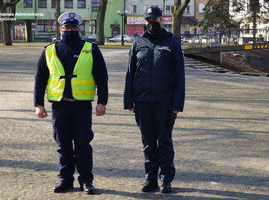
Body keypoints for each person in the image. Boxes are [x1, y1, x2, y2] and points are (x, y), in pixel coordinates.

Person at [34, 11, 108, 195]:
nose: (70, 30)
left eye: (74, 27)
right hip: (59, 105)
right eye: (67, 27)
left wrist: (102, 102)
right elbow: (40, 79)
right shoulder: (49, 50)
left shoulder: (90, 49)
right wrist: (38, 104)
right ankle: (65, 180)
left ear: (79, 29)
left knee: (83, 144)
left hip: (82, 106)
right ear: (60, 29)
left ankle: (86, 181)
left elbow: (102, 77)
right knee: (63, 145)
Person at [124, 6, 185, 193]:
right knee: (148, 142)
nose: (152, 23)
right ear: (145, 21)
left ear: (162, 19)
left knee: (164, 140)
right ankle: (150, 178)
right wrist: (129, 101)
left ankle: (166, 178)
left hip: (165, 101)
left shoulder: (172, 43)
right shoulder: (138, 43)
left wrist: (177, 105)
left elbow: (179, 76)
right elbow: (130, 73)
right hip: (142, 101)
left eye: (155, 19)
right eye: (148, 20)